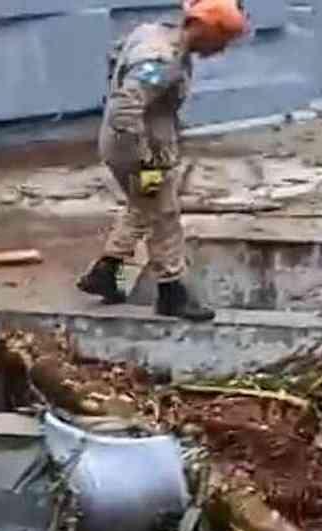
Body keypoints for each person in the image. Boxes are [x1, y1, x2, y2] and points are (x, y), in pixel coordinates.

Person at [77, 0, 248, 321]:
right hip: (139, 151)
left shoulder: (151, 34)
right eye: (221, 40)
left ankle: (106, 271)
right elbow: (125, 107)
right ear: (205, 29)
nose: (221, 50)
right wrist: (144, 160)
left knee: (142, 206)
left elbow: (115, 62)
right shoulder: (163, 61)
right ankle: (171, 291)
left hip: (135, 145)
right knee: (164, 215)